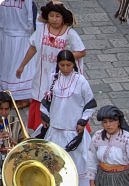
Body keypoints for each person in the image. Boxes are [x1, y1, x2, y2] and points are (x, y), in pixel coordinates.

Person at [15, 1, 85, 130]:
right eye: (51, 15)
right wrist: (22, 65)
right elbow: (33, 47)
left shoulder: (70, 34)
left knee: (60, 100)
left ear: (63, 18)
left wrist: (65, 56)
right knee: (41, 97)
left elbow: (81, 52)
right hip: (42, 75)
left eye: (58, 16)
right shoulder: (42, 30)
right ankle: (41, 130)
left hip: (61, 75)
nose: (54, 19)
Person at [40, 50, 96, 186]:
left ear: (73, 64)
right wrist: (44, 115)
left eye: (68, 65)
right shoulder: (53, 79)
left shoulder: (81, 81)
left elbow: (90, 103)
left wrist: (82, 121)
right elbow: (45, 100)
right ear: (58, 64)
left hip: (72, 128)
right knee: (55, 159)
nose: (65, 68)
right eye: (62, 65)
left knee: (76, 160)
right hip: (55, 127)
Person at [0, 0, 35, 105]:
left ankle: (21, 96)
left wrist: (28, 31)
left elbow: (30, 17)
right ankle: (6, 92)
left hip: (21, 36)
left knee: (19, 65)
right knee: (7, 65)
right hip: (5, 33)